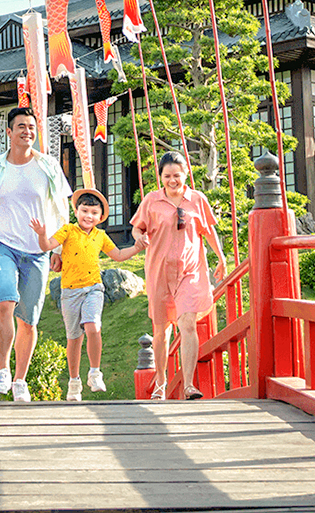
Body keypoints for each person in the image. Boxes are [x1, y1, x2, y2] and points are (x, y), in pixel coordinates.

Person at [0, 105, 73, 402]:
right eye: (21, 126)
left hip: (37, 250)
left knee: (29, 320)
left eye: (31, 127)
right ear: (8, 132)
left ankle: (20, 379)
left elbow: (62, 211)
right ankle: (3, 370)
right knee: (5, 299)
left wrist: (58, 248)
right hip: (2, 244)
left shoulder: (48, 166)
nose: (27, 131)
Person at [131, 150, 227, 401]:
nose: (173, 180)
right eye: (167, 176)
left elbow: (208, 231)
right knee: (161, 331)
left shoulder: (197, 199)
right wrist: (139, 237)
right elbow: (136, 227)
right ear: (160, 177)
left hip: (190, 270)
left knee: (187, 323)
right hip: (159, 270)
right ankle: (161, 383)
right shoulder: (151, 201)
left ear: (185, 174)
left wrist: (221, 257)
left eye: (177, 175)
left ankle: (189, 385)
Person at [30, 188, 142, 401]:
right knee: (74, 338)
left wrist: (137, 248)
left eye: (93, 213)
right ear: (77, 211)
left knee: (93, 326)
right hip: (70, 292)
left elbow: (117, 255)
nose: (88, 216)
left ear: (100, 217)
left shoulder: (101, 235)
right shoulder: (68, 230)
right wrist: (42, 234)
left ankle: (95, 372)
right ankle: (74, 383)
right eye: (84, 211)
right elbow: (46, 246)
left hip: (93, 288)